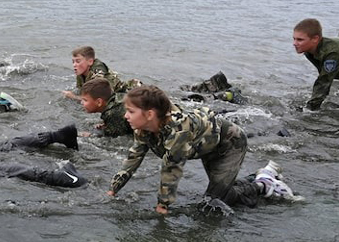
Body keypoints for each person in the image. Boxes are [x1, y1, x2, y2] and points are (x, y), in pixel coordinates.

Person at [106, 85, 294, 215]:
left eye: (131, 111)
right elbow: (133, 158)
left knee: (214, 203)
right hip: (206, 147)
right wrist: (113, 189)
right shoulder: (143, 128)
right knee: (216, 196)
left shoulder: (178, 130)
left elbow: (171, 169)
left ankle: (263, 185)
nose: (125, 116)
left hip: (229, 144)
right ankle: (259, 177)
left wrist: (163, 205)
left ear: (149, 114)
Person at [293, 18, 339, 110]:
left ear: (315, 39)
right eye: (294, 39)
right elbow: (324, 75)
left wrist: (309, 109)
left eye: (300, 40)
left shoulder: (333, 52)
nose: (295, 43)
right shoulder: (308, 52)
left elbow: (324, 81)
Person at [63, 47, 139, 101]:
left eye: (78, 61)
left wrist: (73, 97)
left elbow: (95, 100)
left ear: (90, 62)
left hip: (128, 92)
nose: (74, 65)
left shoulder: (98, 72)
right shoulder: (81, 73)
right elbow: (81, 90)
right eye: (73, 62)